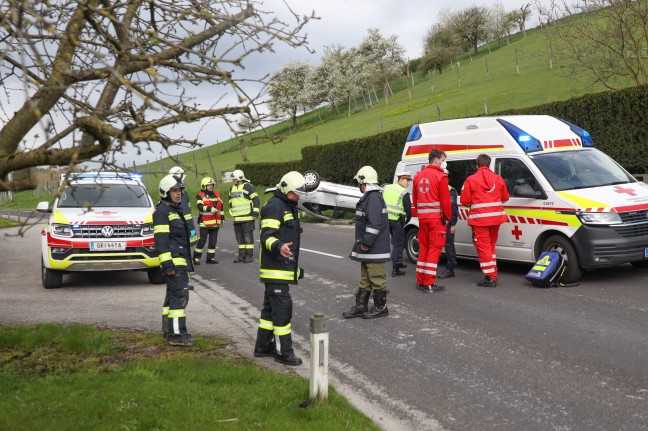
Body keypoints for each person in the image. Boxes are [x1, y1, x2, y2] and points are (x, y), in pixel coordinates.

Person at [253, 171, 306, 366]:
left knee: (269, 311)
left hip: (280, 269)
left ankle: (262, 347)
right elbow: (266, 235)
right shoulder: (275, 206)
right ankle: (284, 352)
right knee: (283, 310)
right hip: (275, 269)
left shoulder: (286, 205)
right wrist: (279, 246)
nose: (298, 196)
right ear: (284, 189)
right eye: (295, 192)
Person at [343, 166, 391, 319]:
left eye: (359, 182)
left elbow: (375, 223)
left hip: (373, 248)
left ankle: (380, 307)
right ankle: (361, 306)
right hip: (369, 248)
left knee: (377, 278)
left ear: (363, 182)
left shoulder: (373, 198)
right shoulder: (370, 197)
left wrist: (366, 243)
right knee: (365, 279)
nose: (358, 185)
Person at [154, 174, 195, 346]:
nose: (179, 193)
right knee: (180, 296)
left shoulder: (175, 210)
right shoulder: (162, 212)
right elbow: (161, 242)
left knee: (172, 297)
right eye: (175, 191)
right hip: (174, 263)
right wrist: (167, 265)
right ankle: (178, 335)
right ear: (166, 192)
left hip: (180, 261)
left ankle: (169, 331)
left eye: (180, 190)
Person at [460, 153, 510, 288]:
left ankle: (490, 277)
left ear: (477, 165)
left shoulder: (471, 180)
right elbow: (505, 197)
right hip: (496, 219)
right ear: (489, 164)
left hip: (480, 220)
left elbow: (464, 201)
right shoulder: (498, 178)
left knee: (483, 248)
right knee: (491, 246)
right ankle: (493, 273)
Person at [412, 149, 452, 293]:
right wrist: (448, 217)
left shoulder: (417, 177)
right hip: (436, 220)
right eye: (442, 160)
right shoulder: (440, 176)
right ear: (436, 160)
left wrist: (421, 214)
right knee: (434, 250)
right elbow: (445, 201)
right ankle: (429, 283)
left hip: (422, 220)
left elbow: (415, 200)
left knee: (424, 249)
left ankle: (421, 281)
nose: (443, 163)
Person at [382, 171, 412, 277]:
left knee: (395, 241)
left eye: (409, 180)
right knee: (398, 243)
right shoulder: (404, 193)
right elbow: (409, 212)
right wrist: (405, 222)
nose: (408, 183)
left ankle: (398, 262)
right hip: (397, 221)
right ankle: (396, 269)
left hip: (386, 219)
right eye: (407, 180)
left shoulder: (387, 188)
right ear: (400, 179)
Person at [228, 169, 260, 263]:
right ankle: (241, 256)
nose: (232, 180)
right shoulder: (232, 188)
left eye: (234, 178)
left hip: (248, 218)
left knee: (248, 238)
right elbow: (230, 201)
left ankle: (249, 256)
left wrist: (255, 213)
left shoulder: (248, 187)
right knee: (239, 238)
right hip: (237, 218)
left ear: (240, 178)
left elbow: (256, 200)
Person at [193, 177, 224, 265]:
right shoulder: (200, 195)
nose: (211, 186)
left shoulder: (217, 195)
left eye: (211, 185)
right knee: (202, 241)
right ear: (204, 186)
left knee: (213, 242)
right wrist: (210, 208)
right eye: (209, 185)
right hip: (204, 222)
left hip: (215, 223)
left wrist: (222, 218)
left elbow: (221, 208)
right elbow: (199, 206)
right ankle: (196, 258)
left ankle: (210, 258)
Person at [438, 168, 459, 279]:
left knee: (448, 244)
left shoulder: (450, 190)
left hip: (448, 222)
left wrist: (453, 224)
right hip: (440, 221)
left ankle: (450, 269)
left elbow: (454, 209)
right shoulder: (438, 188)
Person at [168, 166, 197, 245]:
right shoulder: (178, 195)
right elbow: (186, 215)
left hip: (182, 228)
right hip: (180, 230)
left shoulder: (183, 194)